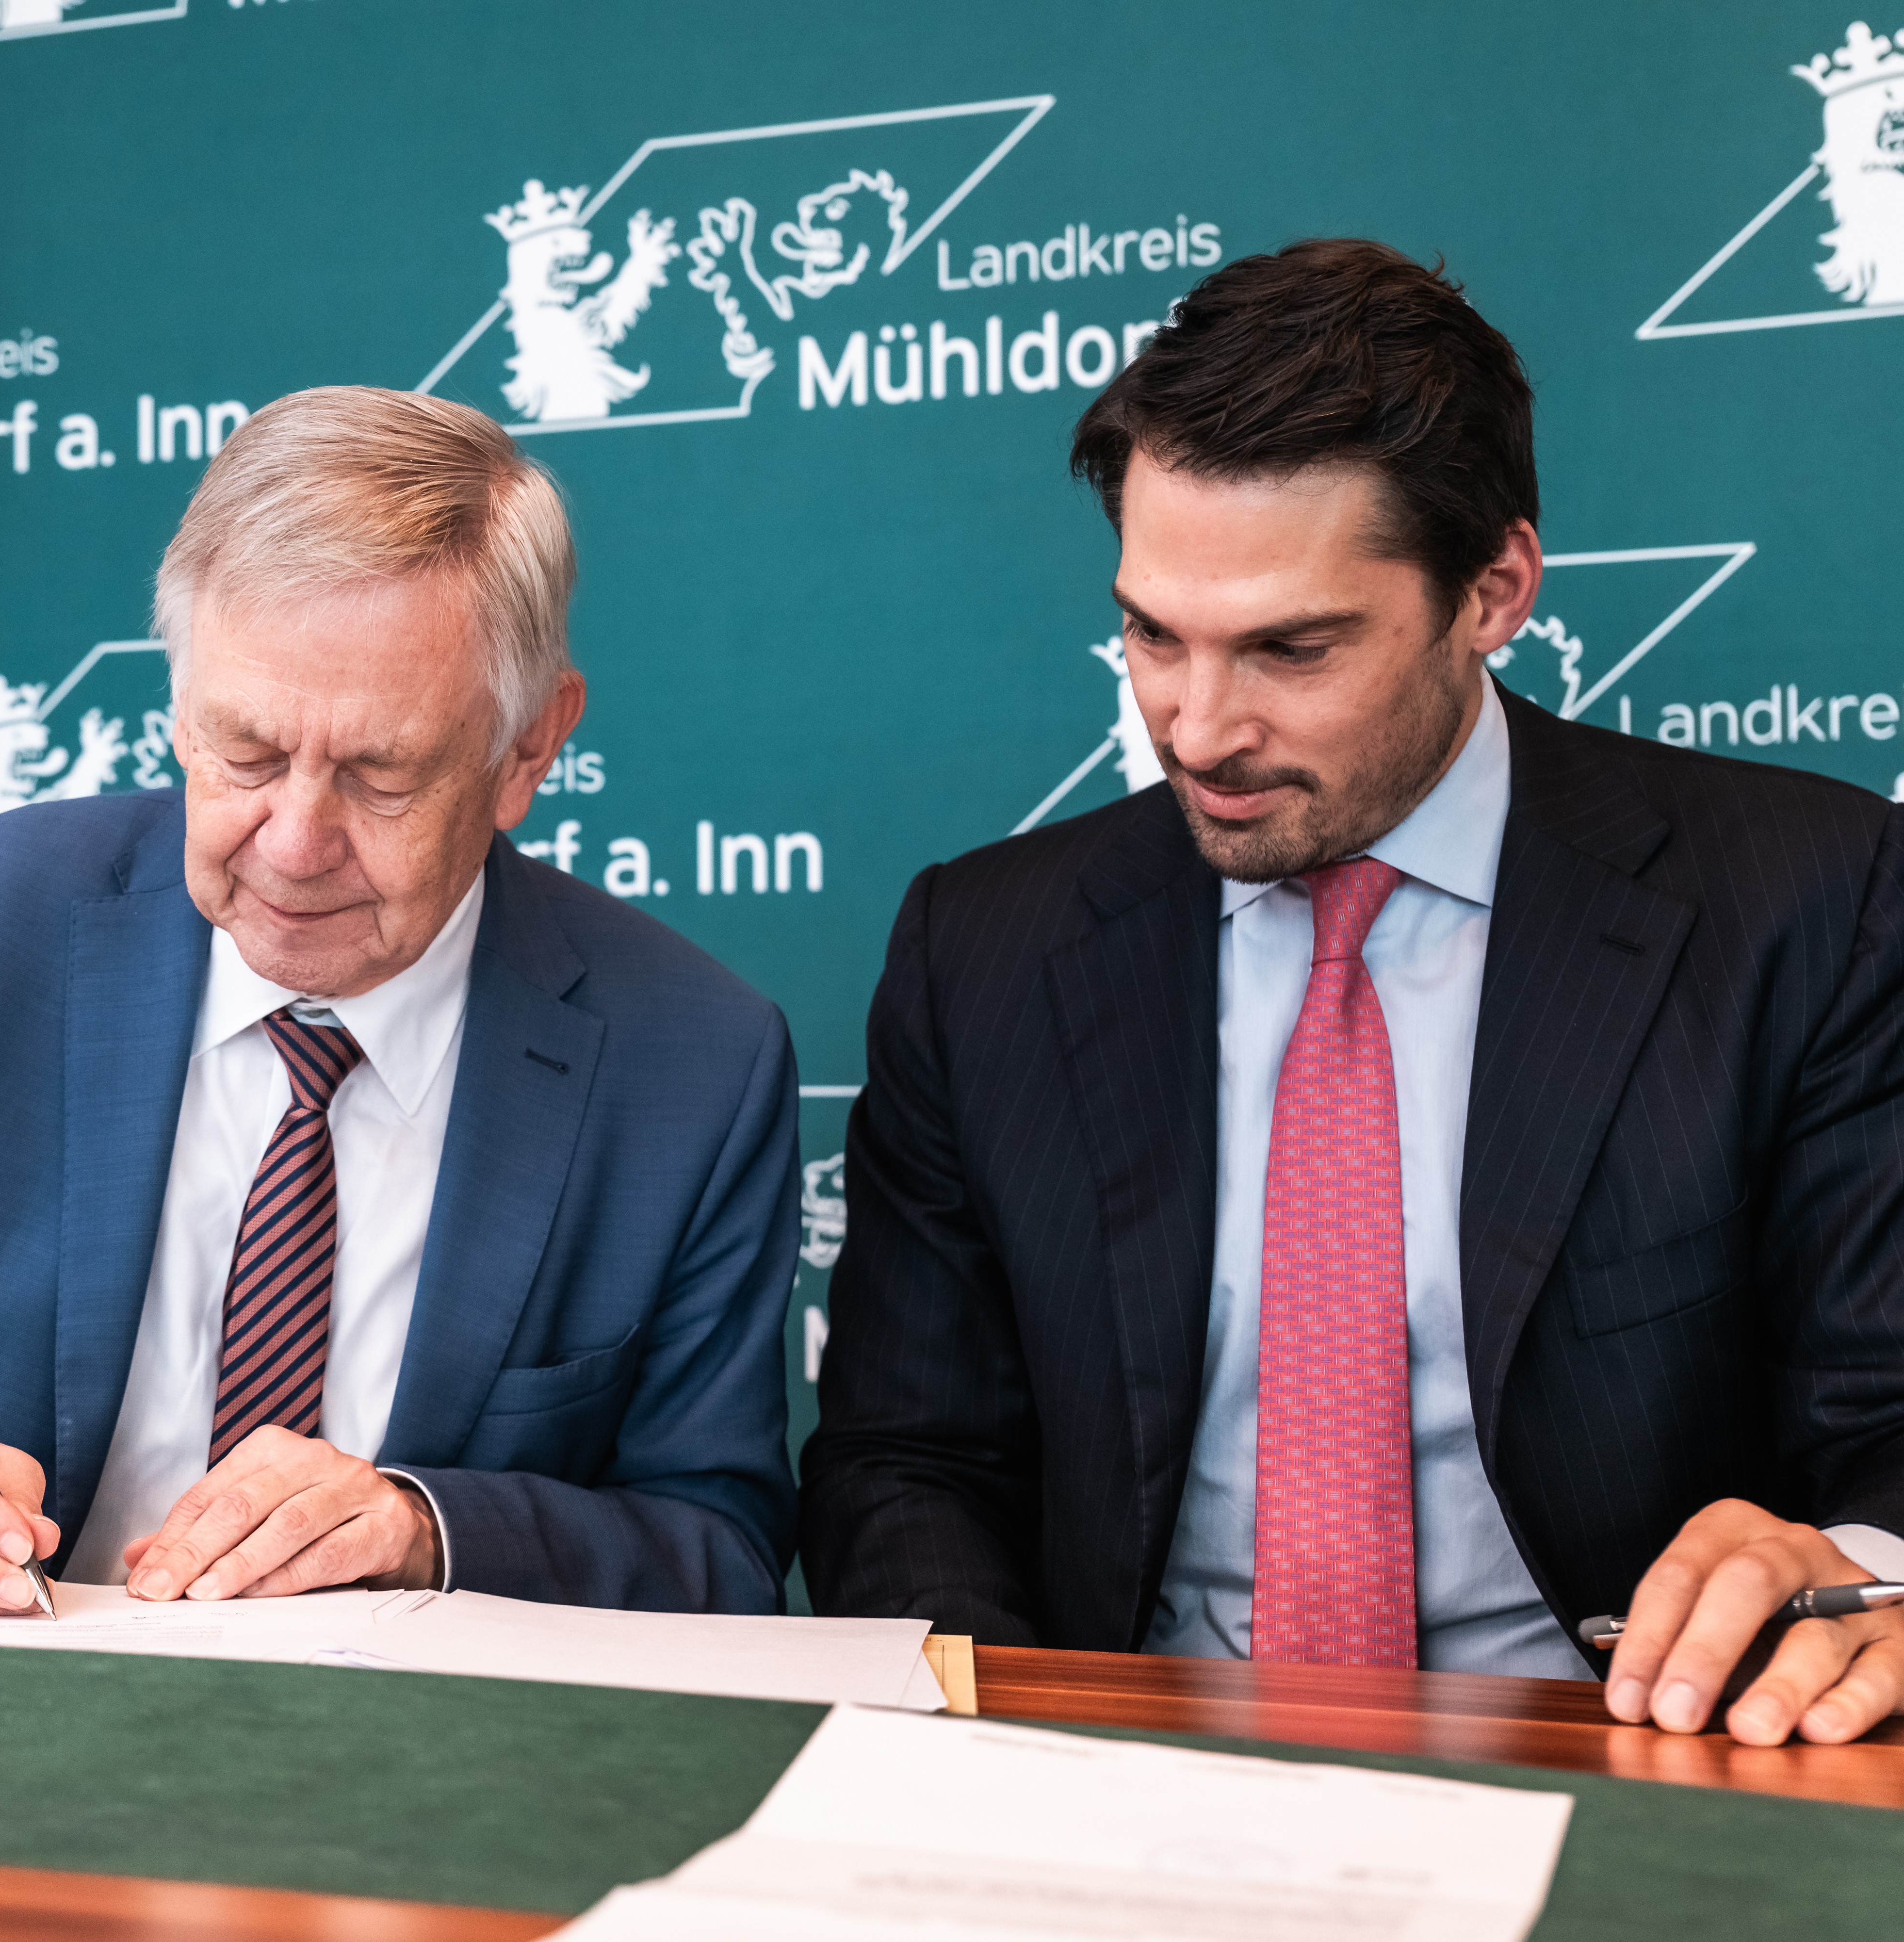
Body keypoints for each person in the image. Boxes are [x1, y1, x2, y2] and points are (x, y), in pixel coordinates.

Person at [799, 240, 1904, 1746]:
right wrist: (1022, 1757)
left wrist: (1864, 1577)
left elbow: (1888, 1424)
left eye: (1291, 648)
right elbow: (908, 1461)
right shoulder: (982, 946)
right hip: (1118, 1782)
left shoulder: (1808, 901)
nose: (1199, 728)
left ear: (1493, 590)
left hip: (1636, 1769)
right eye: (1152, 633)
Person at [0, 386, 799, 1617]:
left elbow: (720, 1549)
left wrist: (422, 1530)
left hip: (431, 1732)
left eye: (380, 774)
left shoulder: (695, 1061)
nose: (294, 843)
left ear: (528, 746)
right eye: (246, 753)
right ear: (178, 707)